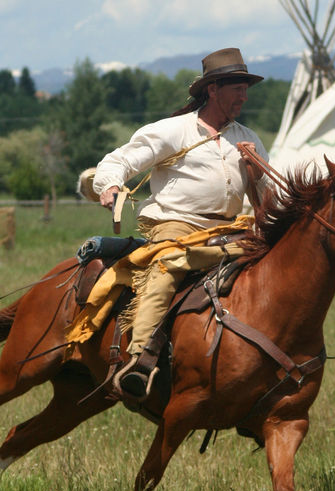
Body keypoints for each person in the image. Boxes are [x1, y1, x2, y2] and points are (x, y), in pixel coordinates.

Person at [91, 48, 270, 400]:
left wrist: (256, 173)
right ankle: (139, 359)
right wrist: (110, 184)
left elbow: (268, 199)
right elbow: (121, 160)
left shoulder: (249, 139)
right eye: (237, 87)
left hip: (231, 229)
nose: (244, 96)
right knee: (164, 267)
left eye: (246, 88)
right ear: (213, 89)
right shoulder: (174, 131)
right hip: (176, 226)